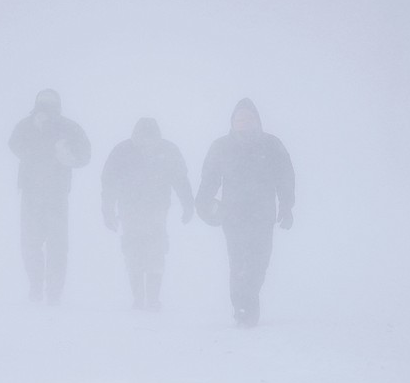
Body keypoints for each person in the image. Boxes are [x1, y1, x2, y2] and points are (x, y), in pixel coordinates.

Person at [195, 98, 295, 327]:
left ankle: (249, 298)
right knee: (239, 262)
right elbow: (209, 178)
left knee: (259, 262)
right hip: (233, 215)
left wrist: (287, 205)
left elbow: (285, 177)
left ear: (256, 120)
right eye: (239, 119)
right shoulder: (221, 146)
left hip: (263, 214)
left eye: (248, 118)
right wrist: (202, 203)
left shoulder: (272, 145)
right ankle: (242, 308)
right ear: (232, 122)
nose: (243, 122)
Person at [101, 118, 194, 311]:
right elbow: (108, 182)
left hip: (157, 209)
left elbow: (180, 180)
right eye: (141, 136)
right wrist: (107, 209)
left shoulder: (168, 151)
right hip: (129, 209)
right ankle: (139, 298)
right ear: (135, 135)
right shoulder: (122, 151)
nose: (145, 141)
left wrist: (188, 204)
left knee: (155, 250)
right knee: (134, 250)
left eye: (149, 137)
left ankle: (152, 298)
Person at [8, 89, 91, 305]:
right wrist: (38, 146)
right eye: (42, 105)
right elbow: (14, 144)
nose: (45, 110)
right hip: (32, 193)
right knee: (32, 243)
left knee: (55, 244)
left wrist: (68, 155)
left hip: (56, 194)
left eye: (49, 105)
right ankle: (37, 287)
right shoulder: (27, 125)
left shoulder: (67, 127)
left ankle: (53, 291)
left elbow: (85, 154)